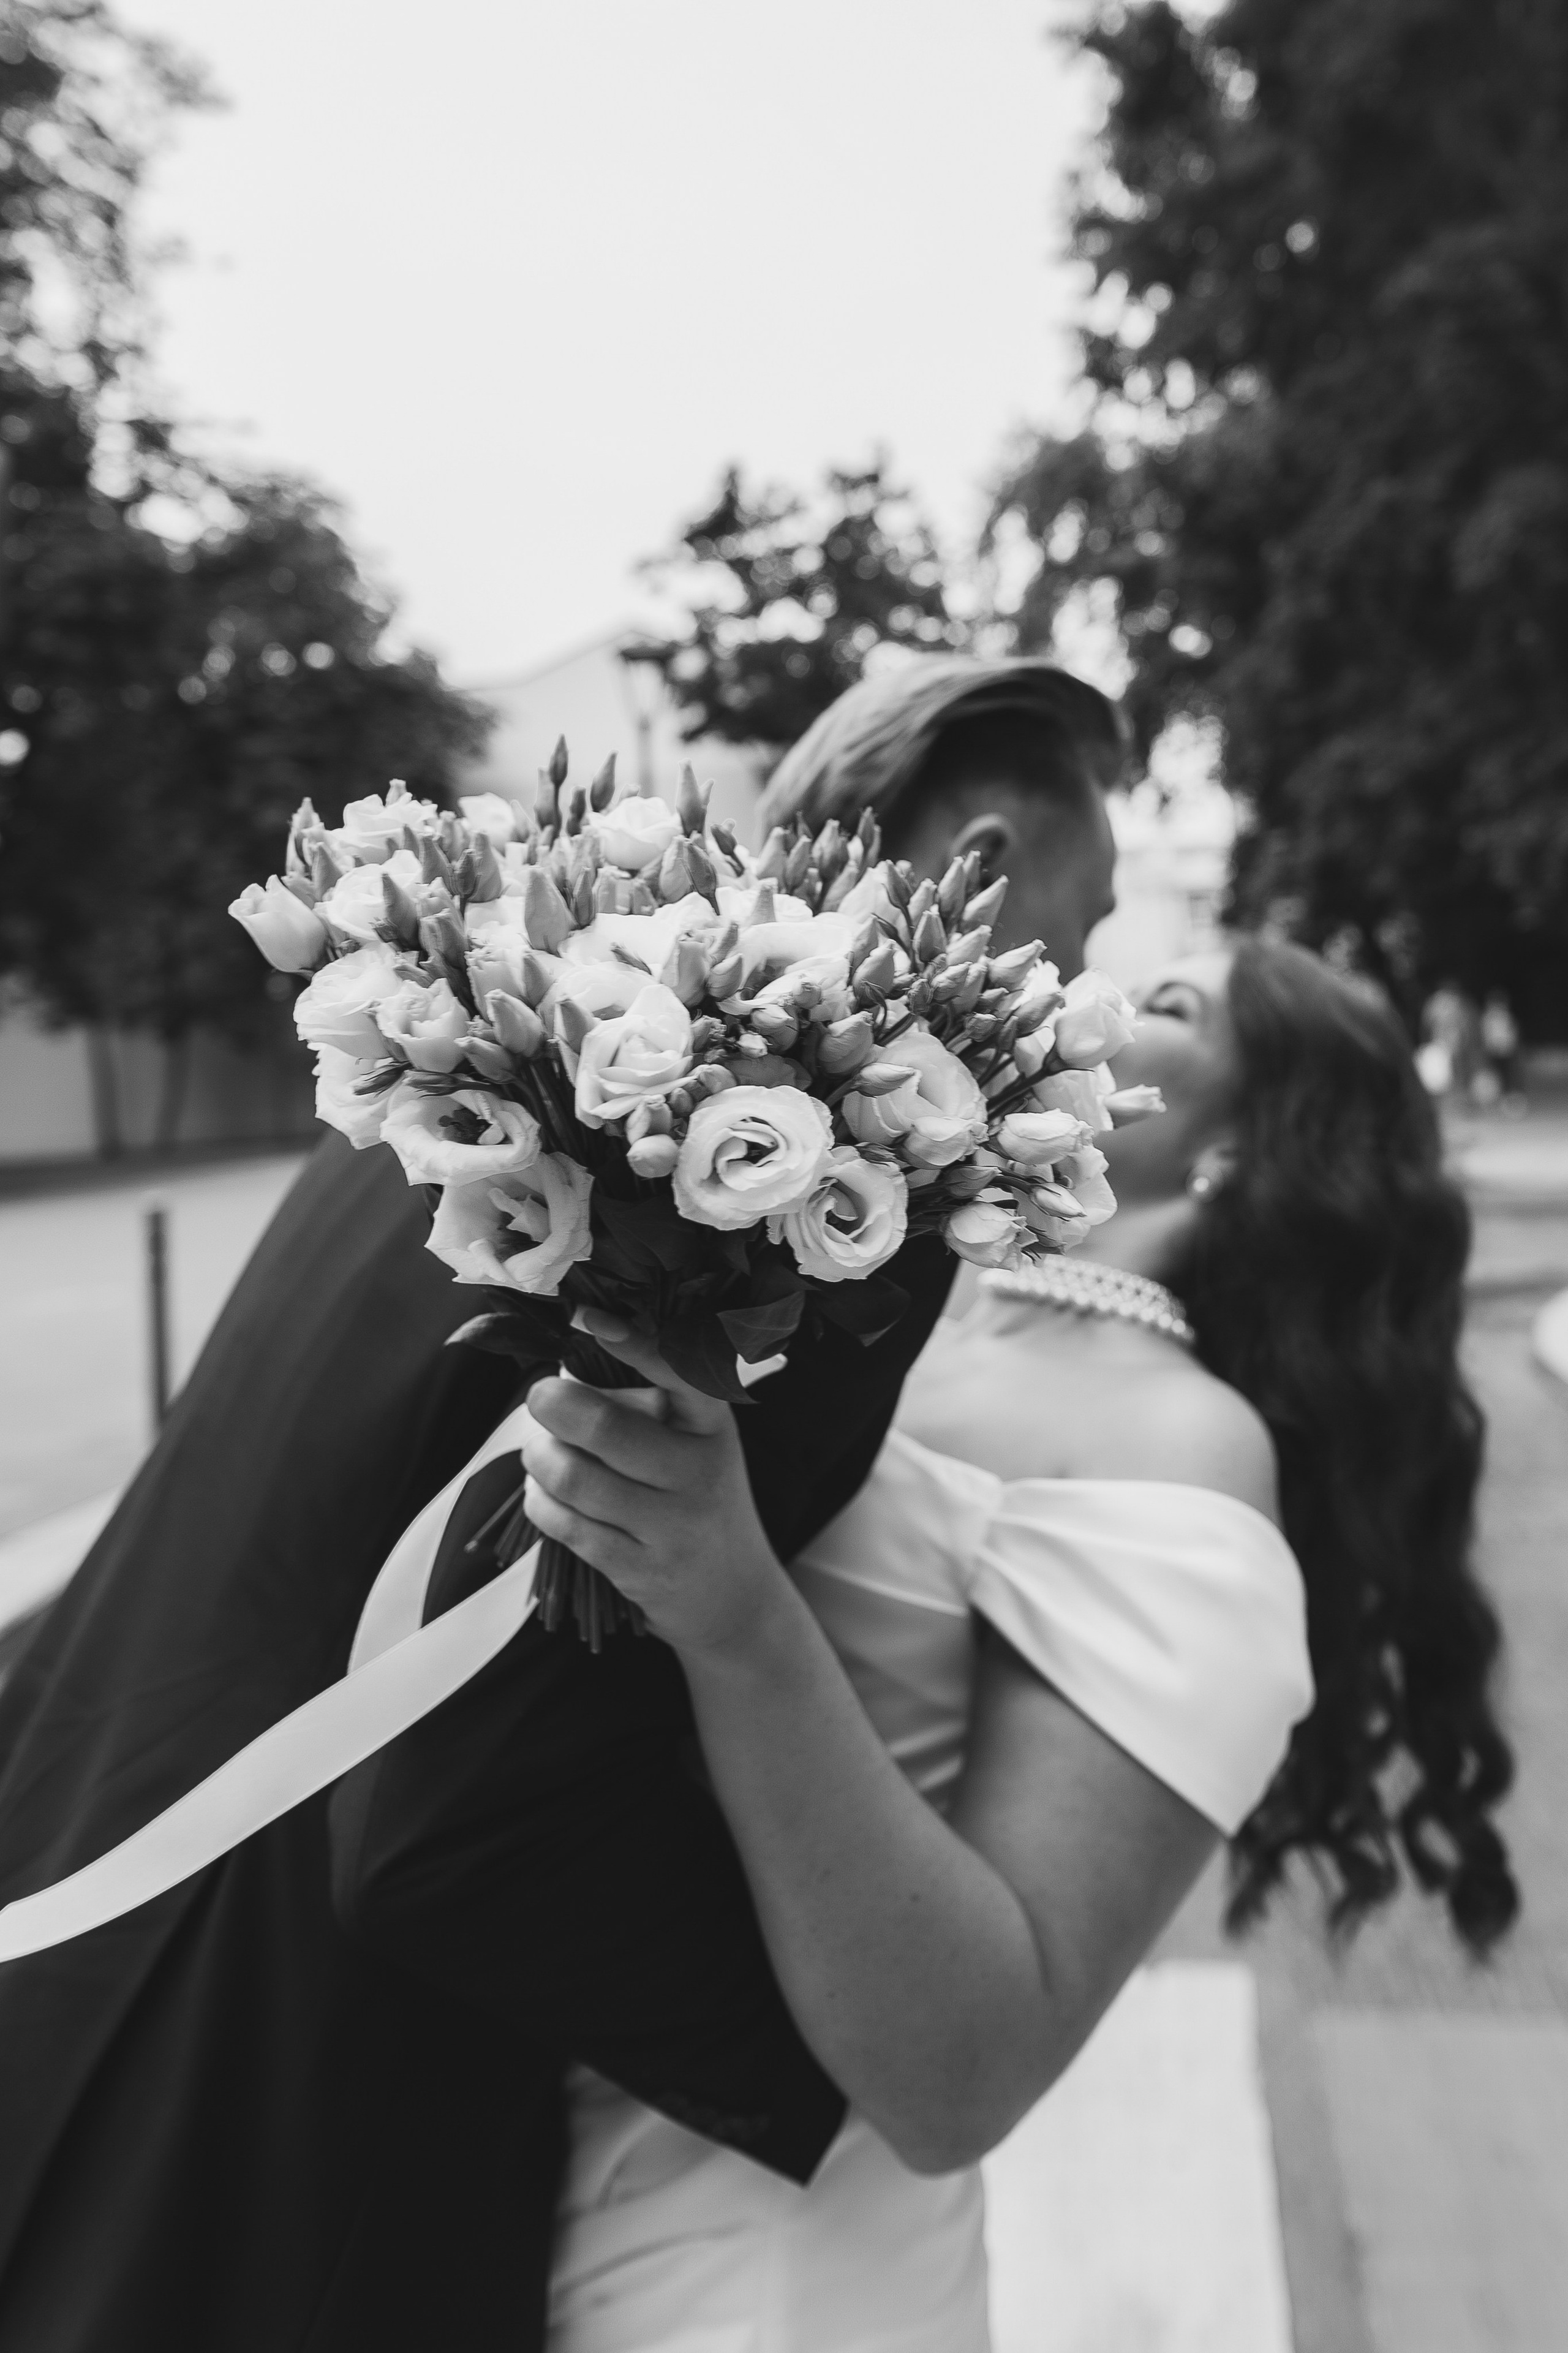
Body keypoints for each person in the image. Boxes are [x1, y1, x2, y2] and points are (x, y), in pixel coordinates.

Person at [0, 659, 1128, 2351]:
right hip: (282, 2109)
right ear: (977, 856)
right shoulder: (824, 1204)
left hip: (70, 1884)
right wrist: (852, 2074)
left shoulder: (472, 1046)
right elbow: (475, 1819)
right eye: (1084, 925)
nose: (1074, 982)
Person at [391, 937, 1515, 2347]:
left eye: (1171, 1005)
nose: (1101, 998)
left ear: (1242, 1148)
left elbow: (963, 2078)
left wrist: (739, 1619)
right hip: (523, 2141)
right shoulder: (882, 1300)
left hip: (762, 2262)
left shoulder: (1181, 1444)